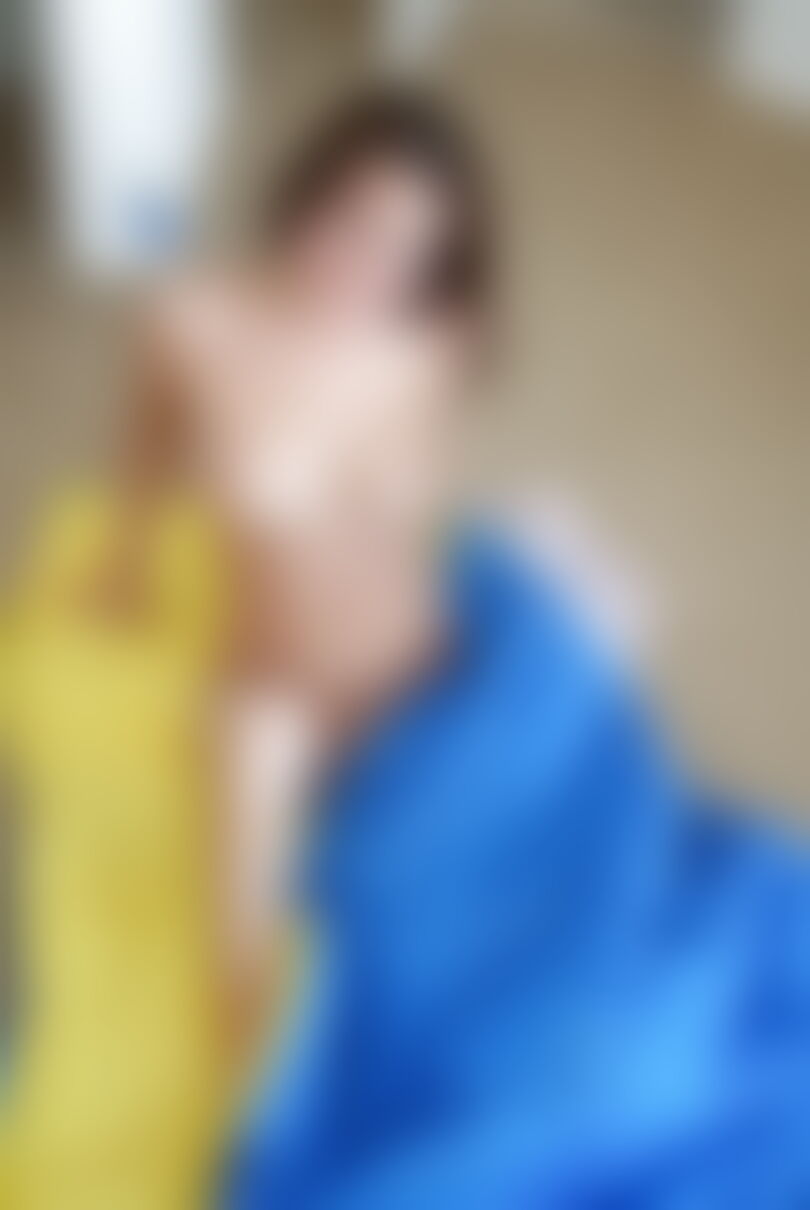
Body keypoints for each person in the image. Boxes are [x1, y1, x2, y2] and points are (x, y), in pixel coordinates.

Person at [211, 91, 810, 1209]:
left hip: (490, 705)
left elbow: (422, 551)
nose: (358, 273)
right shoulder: (207, 340)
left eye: (403, 259)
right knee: (568, 1060)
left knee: (669, 956)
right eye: (347, 224)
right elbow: (227, 643)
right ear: (300, 207)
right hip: (389, 799)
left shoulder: (402, 377)